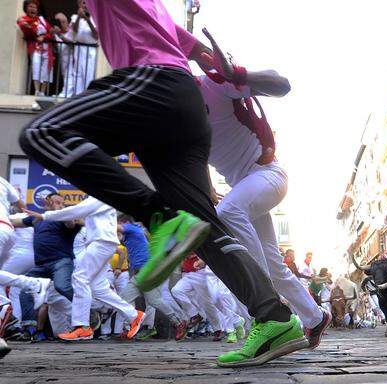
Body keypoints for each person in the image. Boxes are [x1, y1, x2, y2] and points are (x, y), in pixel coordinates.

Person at [18, 0, 301, 367]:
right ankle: (275, 318)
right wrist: (209, 57)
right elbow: (195, 49)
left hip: (151, 84)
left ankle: (158, 217)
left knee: (44, 132)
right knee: (202, 225)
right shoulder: (155, 9)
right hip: (185, 104)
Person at [197, 32, 330, 355]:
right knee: (272, 262)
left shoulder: (213, 83)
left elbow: (281, 84)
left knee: (228, 213)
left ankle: (269, 308)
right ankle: (314, 317)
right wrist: (209, 186)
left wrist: (236, 73)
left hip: (268, 175)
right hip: (246, 186)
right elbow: (195, 153)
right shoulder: (179, 114)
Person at [25, 196, 146, 341]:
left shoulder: (98, 198)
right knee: (98, 288)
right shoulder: (101, 200)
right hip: (104, 243)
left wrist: (45, 215)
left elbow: (77, 211)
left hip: (101, 242)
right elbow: (79, 216)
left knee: (79, 278)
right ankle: (133, 315)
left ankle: (82, 326)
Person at [10, 193, 78, 340]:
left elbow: (70, 223)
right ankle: (29, 328)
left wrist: (60, 211)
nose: (60, 205)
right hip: (41, 266)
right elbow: (16, 222)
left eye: (62, 203)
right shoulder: (37, 218)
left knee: (62, 286)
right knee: (25, 287)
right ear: (47, 201)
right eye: (57, 202)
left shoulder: (64, 218)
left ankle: (87, 312)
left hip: (61, 261)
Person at [116, 215, 186, 340]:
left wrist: (100, 220)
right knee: (124, 298)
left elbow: (117, 228)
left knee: (155, 300)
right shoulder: (131, 234)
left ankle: (178, 322)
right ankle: (130, 327)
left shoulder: (132, 228)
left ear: (124, 222)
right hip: (140, 274)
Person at [16, 0, 54, 96]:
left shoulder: (41, 19)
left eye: (35, 7)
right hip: (36, 48)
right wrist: (27, 25)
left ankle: (42, 91)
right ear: (26, 8)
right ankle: (37, 91)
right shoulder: (23, 20)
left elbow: (51, 31)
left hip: (46, 48)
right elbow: (28, 31)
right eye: (30, 7)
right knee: (36, 66)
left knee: (46, 69)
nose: (33, 9)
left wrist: (44, 37)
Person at [70, 0, 98, 93]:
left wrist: (88, 20)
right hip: (79, 48)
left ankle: (86, 95)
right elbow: (74, 30)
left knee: (88, 73)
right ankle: (77, 95)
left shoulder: (95, 18)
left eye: (87, 3)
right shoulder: (74, 17)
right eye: (83, 2)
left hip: (90, 49)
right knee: (77, 73)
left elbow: (96, 35)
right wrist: (79, 17)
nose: (85, 5)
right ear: (79, 4)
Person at [52, 13, 76, 98]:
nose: (62, 24)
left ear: (67, 22)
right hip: (63, 60)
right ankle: (65, 92)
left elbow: (72, 44)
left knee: (70, 76)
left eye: (64, 22)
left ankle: (66, 94)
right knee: (65, 76)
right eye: (60, 22)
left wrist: (60, 35)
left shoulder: (72, 31)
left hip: (72, 59)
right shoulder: (56, 34)